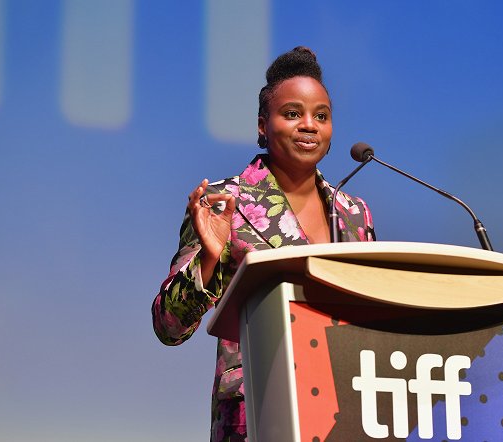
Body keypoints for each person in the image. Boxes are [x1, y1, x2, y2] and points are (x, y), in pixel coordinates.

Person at [152, 46, 375, 442]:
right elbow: (169, 326)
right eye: (292, 113)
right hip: (257, 415)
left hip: (348, 410)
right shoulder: (224, 203)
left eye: (321, 116)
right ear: (262, 125)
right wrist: (208, 257)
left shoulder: (354, 214)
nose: (309, 125)